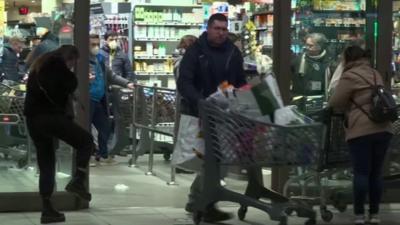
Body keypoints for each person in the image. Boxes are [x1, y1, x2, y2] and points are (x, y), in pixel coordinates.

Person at [177, 13, 246, 222]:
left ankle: (198, 200)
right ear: (208, 29)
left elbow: (240, 81)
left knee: (219, 162)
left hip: (224, 113)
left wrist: (242, 99)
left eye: (224, 29)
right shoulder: (196, 52)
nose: (221, 33)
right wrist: (199, 101)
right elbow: (185, 82)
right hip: (199, 113)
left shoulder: (233, 53)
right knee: (205, 161)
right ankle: (204, 204)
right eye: (217, 29)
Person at [24, 45, 93, 224]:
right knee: (86, 141)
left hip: (33, 120)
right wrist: (71, 79)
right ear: (69, 58)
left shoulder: (39, 65)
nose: (72, 66)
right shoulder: (56, 65)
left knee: (46, 161)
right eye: (73, 63)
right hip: (50, 117)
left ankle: (47, 208)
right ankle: (78, 180)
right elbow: (66, 84)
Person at [329, 46, 393, 225]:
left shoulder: (349, 76)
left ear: (347, 59)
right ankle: (374, 215)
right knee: (376, 173)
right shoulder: (375, 73)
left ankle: (358, 215)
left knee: (362, 173)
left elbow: (335, 101)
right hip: (383, 129)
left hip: (361, 131)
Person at [88, 34, 134, 165]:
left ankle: (102, 154)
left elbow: (111, 75)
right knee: (85, 130)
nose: (96, 47)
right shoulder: (81, 60)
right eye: (93, 44)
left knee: (105, 127)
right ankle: (88, 155)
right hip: (87, 99)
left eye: (97, 44)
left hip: (99, 99)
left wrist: (127, 83)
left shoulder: (99, 59)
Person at [291, 33, 332, 97]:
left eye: (310, 46)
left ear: (319, 47)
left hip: (319, 100)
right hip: (298, 98)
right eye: (306, 45)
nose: (307, 47)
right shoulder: (298, 60)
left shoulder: (328, 62)